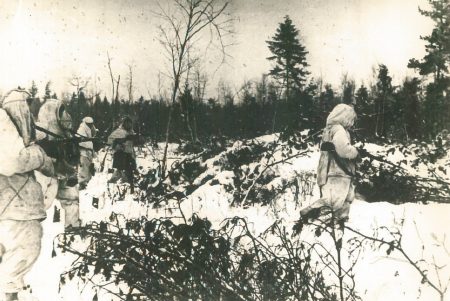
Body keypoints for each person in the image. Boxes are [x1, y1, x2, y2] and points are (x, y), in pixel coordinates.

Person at [0, 89, 54, 301]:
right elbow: (13, 161)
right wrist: (40, 156)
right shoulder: (3, 122)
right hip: (13, 210)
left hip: (11, 208)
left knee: (13, 256)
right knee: (22, 252)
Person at [300, 104, 361, 229]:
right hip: (338, 171)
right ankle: (309, 214)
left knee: (345, 199)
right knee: (333, 201)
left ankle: (339, 225)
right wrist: (356, 152)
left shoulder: (328, 130)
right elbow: (343, 149)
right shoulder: (339, 130)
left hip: (330, 171)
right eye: (351, 119)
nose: (352, 123)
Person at [36, 99, 81, 229]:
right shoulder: (40, 131)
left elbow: (73, 156)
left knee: (71, 198)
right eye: (61, 112)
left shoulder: (66, 133)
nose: (64, 115)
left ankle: (73, 228)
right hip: (45, 174)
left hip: (64, 171)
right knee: (40, 204)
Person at [107, 117, 136, 190]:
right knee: (122, 169)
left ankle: (119, 182)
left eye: (130, 124)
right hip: (121, 154)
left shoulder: (131, 132)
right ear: (124, 124)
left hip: (129, 153)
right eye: (127, 123)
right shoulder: (119, 131)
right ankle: (116, 183)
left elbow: (133, 143)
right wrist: (117, 146)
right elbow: (110, 139)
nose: (129, 125)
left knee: (127, 169)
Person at [77, 116, 97, 189]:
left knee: (88, 167)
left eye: (91, 124)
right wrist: (88, 144)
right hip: (83, 152)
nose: (91, 125)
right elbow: (80, 141)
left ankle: (87, 182)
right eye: (89, 124)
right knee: (83, 168)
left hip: (89, 152)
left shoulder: (91, 129)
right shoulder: (81, 129)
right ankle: (82, 183)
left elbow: (92, 137)